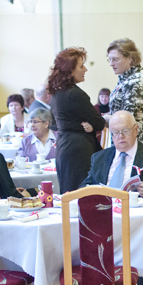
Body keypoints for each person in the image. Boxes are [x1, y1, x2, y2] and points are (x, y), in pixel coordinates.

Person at [81, 111, 143, 250]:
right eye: (115, 132)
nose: (120, 136)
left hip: (138, 229)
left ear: (135, 130)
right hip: (101, 225)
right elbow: (84, 186)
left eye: (125, 131)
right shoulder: (99, 158)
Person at [49, 47, 106, 192]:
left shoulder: (55, 93)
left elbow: (54, 124)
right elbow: (99, 123)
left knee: (68, 192)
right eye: (81, 66)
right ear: (70, 70)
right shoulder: (76, 94)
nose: (85, 69)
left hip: (63, 147)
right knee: (82, 194)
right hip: (79, 150)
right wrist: (86, 126)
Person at [107, 38, 143, 146]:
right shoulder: (126, 78)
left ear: (130, 59)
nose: (111, 64)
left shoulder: (135, 81)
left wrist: (102, 120)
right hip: (128, 143)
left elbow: (124, 120)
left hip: (139, 145)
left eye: (115, 59)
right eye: (109, 59)